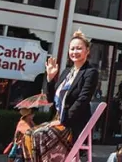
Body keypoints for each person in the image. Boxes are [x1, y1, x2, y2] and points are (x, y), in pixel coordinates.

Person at [27, 30, 99, 161]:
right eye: (72, 49)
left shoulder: (90, 72)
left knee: (39, 135)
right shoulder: (66, 72)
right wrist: (50, 78)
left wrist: (63, 120)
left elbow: (82, 100)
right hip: (57, 119)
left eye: (79, 48)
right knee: (28, 134)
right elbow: (50, 99)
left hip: (72, 122)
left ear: (87, 51)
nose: (75, 52)